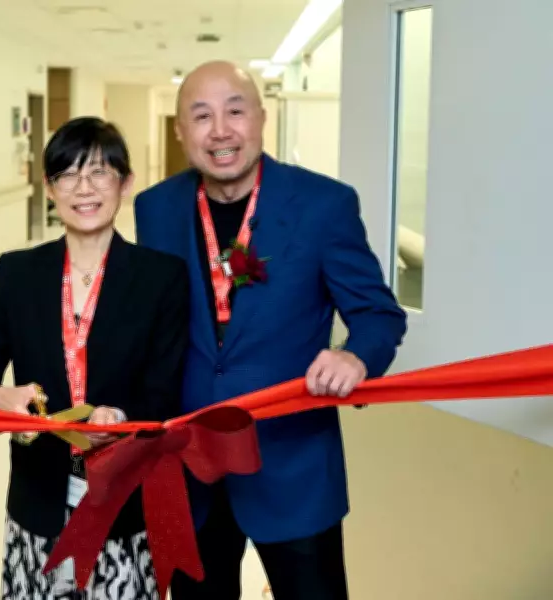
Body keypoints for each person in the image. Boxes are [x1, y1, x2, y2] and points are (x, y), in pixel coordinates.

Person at [134, 62, 408, 599]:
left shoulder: (325, 205)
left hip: (292, 467)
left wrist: (355, 357)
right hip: (189, 470)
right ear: (180, 131)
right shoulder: (155, 210)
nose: (221, 131)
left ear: (261, 117)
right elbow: (146, 329)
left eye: (236, 110)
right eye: (202, 115)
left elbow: (378, 314)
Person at [0, 116, 189, 600]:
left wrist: (122, 418)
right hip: (37, 500)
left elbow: (165, 391)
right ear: (49, 187)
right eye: (68, 174)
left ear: (125, 182)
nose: (84, 188)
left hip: (123, 501)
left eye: (100, 172)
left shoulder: (161, 278)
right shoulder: (17, 273)